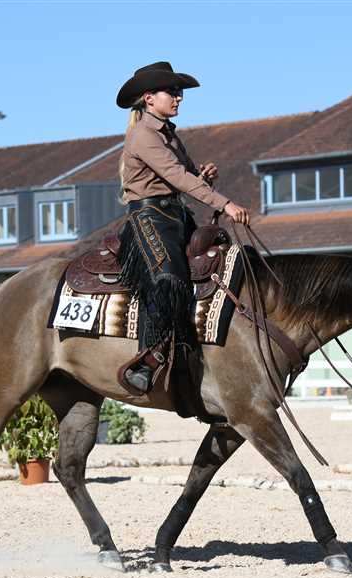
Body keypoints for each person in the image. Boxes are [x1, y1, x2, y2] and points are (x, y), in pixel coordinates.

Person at [114, 61, 250, 394]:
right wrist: (224, 203)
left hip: (175, 217)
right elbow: (177, 178)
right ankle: (148, 360)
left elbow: (186, 177)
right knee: (169, 280)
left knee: (217, 263)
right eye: (172, 92)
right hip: (149, 219)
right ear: (149, 98)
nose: (179, 98)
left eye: (179, 92)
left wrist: (203, 177)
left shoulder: (168, 134)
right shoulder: (143, 135)